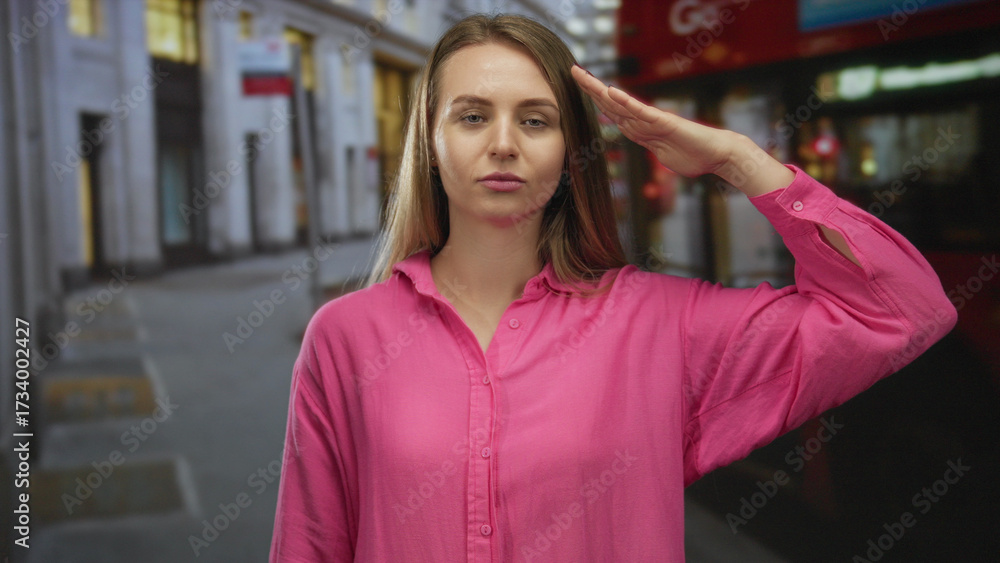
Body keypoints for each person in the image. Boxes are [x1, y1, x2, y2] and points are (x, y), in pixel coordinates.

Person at [269, 13, 956, 562]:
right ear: (430, 142)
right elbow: (310, 546)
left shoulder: (662, 324)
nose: (503, 143)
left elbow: (904, 310)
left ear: (571, 154)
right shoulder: (347, 337)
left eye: (535, 120)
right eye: (472, 116)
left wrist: (738, 159)